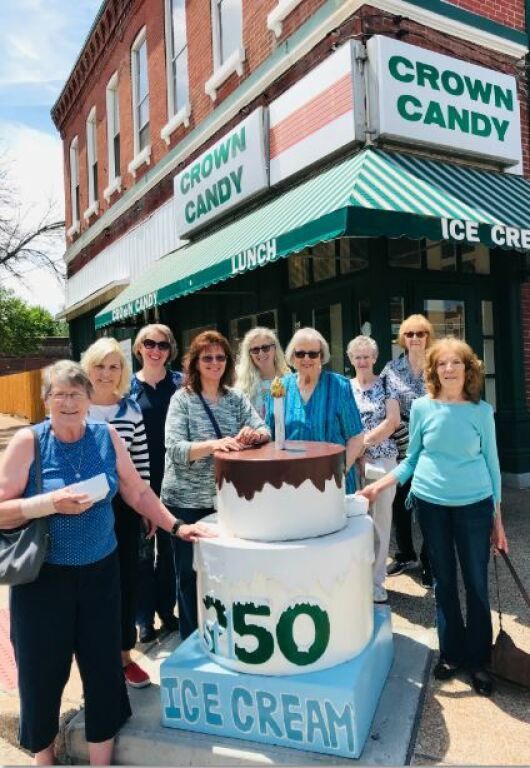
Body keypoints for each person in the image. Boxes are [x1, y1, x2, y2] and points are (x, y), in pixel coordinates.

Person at [0, 361, 213, 766]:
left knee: (103, 670)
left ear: (88, 399)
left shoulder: (106, 436)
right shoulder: (30, 442)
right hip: (43, 579)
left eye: (75, 394)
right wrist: (48, 503)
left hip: (101, 574)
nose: (67, 402)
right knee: (41, 670)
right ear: (46, 400)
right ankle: (44, 758)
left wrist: (176, 526)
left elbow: (137, 491)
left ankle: (102, 760)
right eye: (59, 394)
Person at [359, 338, 508, 697]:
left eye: (456, 362)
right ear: (434, 370)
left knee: (476, 583)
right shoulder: (423, 408)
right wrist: (378, 487)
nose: (449, 369)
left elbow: (493, 466)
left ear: (468, 369)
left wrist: (497, 520)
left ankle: (479, 659)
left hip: (474, 506)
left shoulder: (481, 412)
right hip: (431, 505)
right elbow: (411, 459)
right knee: (443, 582)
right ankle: (452, 654)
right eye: (442, 363)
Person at [162, 330, 270, 640]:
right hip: (185, 501)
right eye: (207, 357)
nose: (214, 363)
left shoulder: (235, 398)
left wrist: (253, 435)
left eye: (220, 357)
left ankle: (221, 635)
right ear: (195, 362)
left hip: (224, 499)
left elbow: (264, 430)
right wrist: (215, 444)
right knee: (188, 575)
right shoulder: (182, 399)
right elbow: (175, 448)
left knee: (222, 572)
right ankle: (192, 640)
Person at [81, 337, 152, 688]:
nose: (106, 374)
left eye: (114, 367)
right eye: (100, 366)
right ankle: (94, 659)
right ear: (87, 367)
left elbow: (140, 461)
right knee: (89, 583)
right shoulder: (76, 404)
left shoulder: (131, 409)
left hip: (123, 507)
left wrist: (146, 506)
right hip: (82, 508)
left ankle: (124, 656)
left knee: (126, 578)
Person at [130, 324, 182, 643]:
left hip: (175, 480)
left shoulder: (180, 384)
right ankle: (143, 618)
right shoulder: (127, 388)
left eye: (163, 345)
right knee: (143, 553)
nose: (156, 350)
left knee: (171, 552)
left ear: (169, 350)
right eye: (149, 343)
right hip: (140, 481)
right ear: (139, 348)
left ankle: (166, 609)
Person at [266, 327, 364, 493]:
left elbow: (356, 436)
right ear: (292, 357)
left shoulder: (338, 386)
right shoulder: (280, 387)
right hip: (291, 482)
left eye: (312, 354)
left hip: (333, 482)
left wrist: (341, 471)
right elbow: (270, 434)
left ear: (321, 357)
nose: (306, 358)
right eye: (300, 353)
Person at [380, 314, 434, 586]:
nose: (414, 338)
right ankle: (405, 555)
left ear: (427, 337)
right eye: (409, 334)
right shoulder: (391, 369)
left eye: (420, 333)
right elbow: (383, 405)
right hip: (402, 446)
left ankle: (430, 561)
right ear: (403, 338)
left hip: (432, 448)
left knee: (429, 508)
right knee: (400, 504)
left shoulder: (437, 366)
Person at [347, 335, 400, 604]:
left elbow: (392, 422)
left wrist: (363, 445)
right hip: (352, 463)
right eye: (357, 357)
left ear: (375, 358)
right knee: (355, 520)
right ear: (351, 359)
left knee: (380, 521)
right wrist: (354, 453)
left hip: (381, 461)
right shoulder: (345, 387)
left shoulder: (388, 384)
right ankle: (356, 578)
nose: (362, 361)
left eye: (366, 356)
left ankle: (377, 581)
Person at [235, 327, 289, 418]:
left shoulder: (289, 381)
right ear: (249, 355)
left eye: (265, 348)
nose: (261, 353)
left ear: (275, 349)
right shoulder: (243, 386)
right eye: (255, 350)